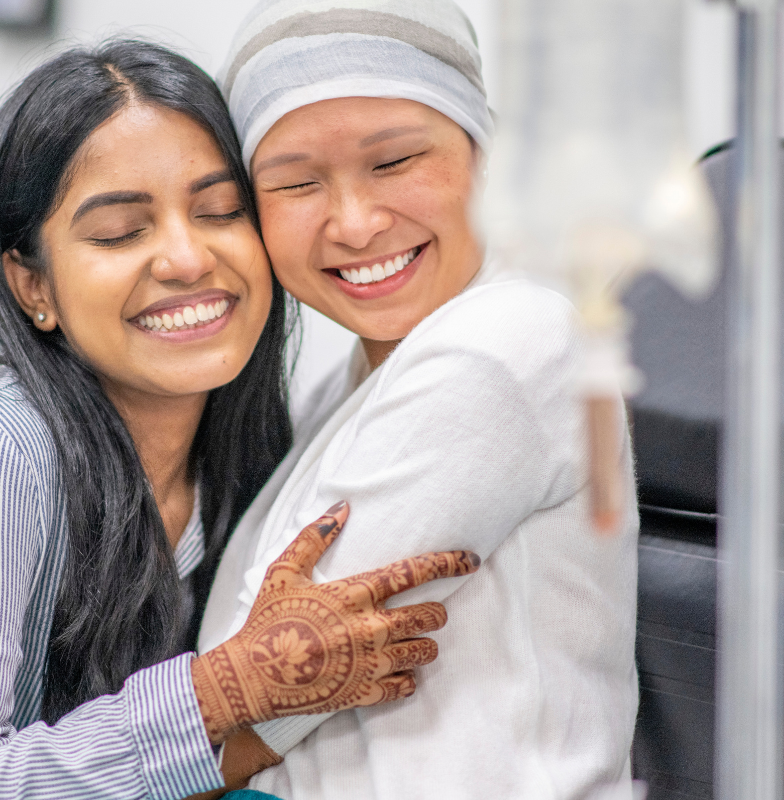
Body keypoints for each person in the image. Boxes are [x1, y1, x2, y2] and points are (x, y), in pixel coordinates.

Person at [0, 41, 477, 800]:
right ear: (32, 285)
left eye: (221, 211)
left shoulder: (259, 449)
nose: (185, 257)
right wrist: (221, 690)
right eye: (119, 232)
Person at [197, 0, 641, 797]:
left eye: (394, 162)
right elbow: (242, 669)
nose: (357, 223)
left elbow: (257, 701)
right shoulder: (347, 385)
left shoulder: (505, 344)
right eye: (297, 182)